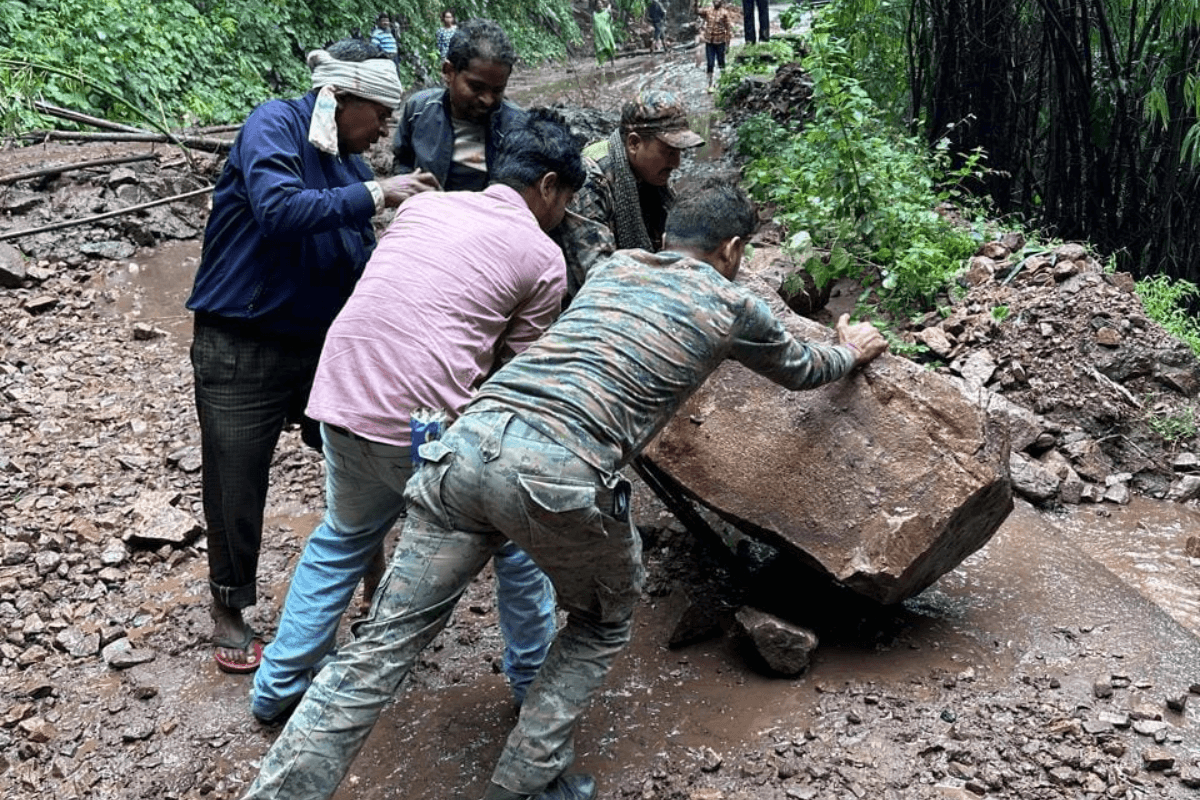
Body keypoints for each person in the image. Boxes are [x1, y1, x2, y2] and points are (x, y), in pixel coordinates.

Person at [236, 180, 889, 800]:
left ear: (668, 238)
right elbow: (804, 370)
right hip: (558, 477)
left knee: (380, 648)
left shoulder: (615, 268)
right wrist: (850, 349)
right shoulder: (733, 305)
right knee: (602, 620)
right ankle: (528, 782)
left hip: (463, 449)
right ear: (733, 251)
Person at [249, 108, 585, 725]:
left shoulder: (424, 208)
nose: (563, 215)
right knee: (515, 544)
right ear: (547, 187)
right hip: (418, 423)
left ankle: (276, 686)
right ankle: (533, 686)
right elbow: (517, 378)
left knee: (342, 539)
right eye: (565, 200)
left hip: (338, 397)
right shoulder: (544, 256)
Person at [186, 39, 439, 675]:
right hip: (241, 342)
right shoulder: (275, 123)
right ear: (340, 97)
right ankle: (230, 607)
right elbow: (277, 210)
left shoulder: (351, 165)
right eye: (377, 112)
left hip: (321, 346)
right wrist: (381, 194)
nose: (383, 128)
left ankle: (374, 594)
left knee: (363, 461)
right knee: (237, 478)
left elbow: (361, 258)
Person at [552, 90, 704, 296]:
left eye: (679, 153)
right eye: (669, 151)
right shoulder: (589, 182)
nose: (676, 163)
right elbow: (598, 277)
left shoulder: (650, 178)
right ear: (634, 143)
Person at [393, 18, 522, 192]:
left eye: (498, 90)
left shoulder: (517, 126)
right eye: (476, 87)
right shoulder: (419, 109)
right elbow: (402, 159)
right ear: (449, 72)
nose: (488, 99)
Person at [694, 0, 737, 92]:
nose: (716, 1)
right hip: (709, 42)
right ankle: (710, 84)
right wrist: (695, 3)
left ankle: (724, 81)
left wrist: (728, 45)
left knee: (721, 63)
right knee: (710, 63)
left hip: (720, 42)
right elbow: (697, 12)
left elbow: (728, 30)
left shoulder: (725, 13)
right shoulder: (708, 11)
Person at [592, 0, 616, 66]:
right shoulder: (594, 14)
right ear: (595, 6)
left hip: (606, 33)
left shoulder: (606, 11)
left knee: (609, 47)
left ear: (602, 4)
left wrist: (609, 11)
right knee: (600, 49)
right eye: (598, 4)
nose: (599, 5)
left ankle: (612, 62)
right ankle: (601, 64)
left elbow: (610, 20)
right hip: (598, 34)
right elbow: (594, 24)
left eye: (600, 4)